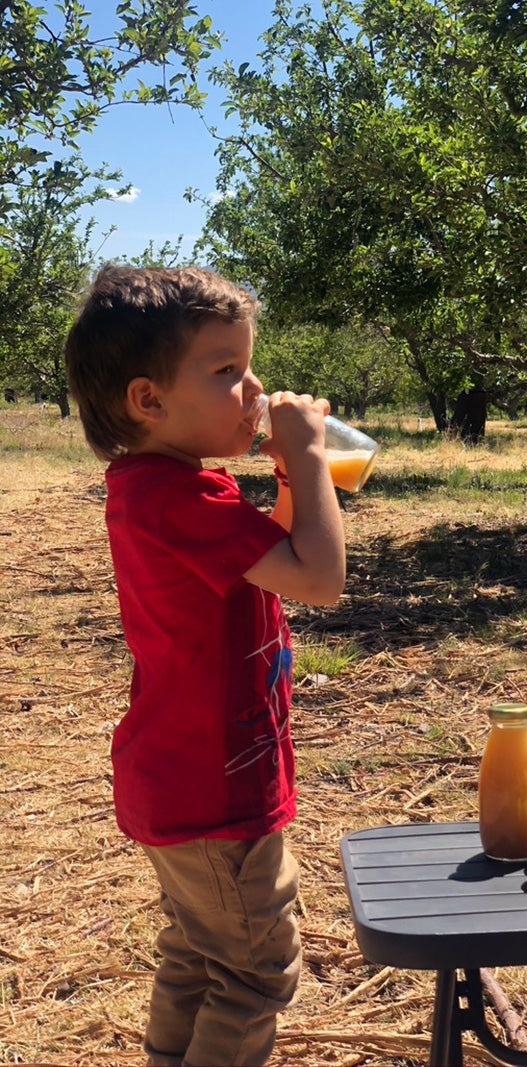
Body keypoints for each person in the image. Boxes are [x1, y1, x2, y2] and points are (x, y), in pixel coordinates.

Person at [64, 264, 346, 1066]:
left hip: (181, 777)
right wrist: (313, 454)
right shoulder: (184, 499)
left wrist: (290, 470)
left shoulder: (161, 490)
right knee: (256, 973)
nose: (255, 389)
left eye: (249, 365)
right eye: (227, 371)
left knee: (197, 952)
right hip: (215, 794)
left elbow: (285, 552)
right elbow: (320, 578)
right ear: (148, 400)